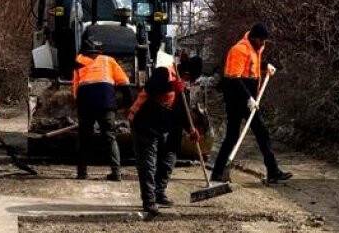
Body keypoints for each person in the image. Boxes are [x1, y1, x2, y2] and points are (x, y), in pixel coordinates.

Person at [210, 23, 291, 184]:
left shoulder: (255, 48)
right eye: (261, 41)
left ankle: (273, 171)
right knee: (232, 137)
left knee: (262, 134)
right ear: (254, 38)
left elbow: (251, 66)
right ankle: (218, 172)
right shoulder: (238, 50)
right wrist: (248, 98)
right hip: (236, 100)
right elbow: (234, 78)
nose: (263, 44)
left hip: (249, 100)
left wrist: (265, 66)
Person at [129, 67, 198, 218]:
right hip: (144, 121)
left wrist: (191, 129)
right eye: (188, 78)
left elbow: (182, 111)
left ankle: (159, 192)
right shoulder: (163, 73)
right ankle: (149, 202)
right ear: (184, 73)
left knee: (169, 157)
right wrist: (172, 85)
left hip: (163, 124)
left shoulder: (182, 88)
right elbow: (152, 89)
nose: (189, 83)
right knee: (148, 163)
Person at [72, 38, 130, 181]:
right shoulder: (108, 60)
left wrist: (78, 103)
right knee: (110, 137)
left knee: (84, 138)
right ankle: (116, 173)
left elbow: (75, 88)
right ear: (99, 50)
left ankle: (82, 173)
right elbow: (124, 82)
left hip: (86, 102)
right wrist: (126, 103)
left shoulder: (78, 60)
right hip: (106, 103)